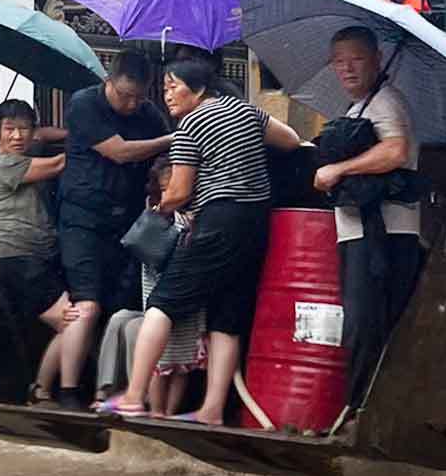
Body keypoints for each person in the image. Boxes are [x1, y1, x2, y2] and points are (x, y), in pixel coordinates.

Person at [98, 58, 299, 424]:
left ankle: (134, 395)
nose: (167, 95)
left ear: (200, 88)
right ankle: (212, 410)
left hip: (217, 221)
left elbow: (178, 192)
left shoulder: (191, 124)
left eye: (174, 86)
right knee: (226, 316)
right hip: (256, 224)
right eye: (164, 88)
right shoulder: (247, 112)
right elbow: (290, 140)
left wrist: (159, 209)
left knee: (161, 303)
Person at [53, 50, 173, 410]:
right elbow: (119, 152)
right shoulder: (84, 104)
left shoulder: (149, 115)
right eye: (125, 96)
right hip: (82, 218)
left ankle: (107, 390)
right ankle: (67, 391)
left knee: (120, 307)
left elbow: (167, 160)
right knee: (86, 303)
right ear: (108, 81)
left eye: (139, 97)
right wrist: (170, 140)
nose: (131, 104)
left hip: (127, 224)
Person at [312, 26, 421, 413]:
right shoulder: (357, 107)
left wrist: (338, 169)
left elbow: (395, 151)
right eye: (339, 61)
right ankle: (363, 409)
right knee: (360, 323)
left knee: (368, 324)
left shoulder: (386, 102)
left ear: (377, 60)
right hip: (358, 231)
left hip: (385, 234)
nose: (347, 68)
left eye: (356, 59)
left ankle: (362, 411)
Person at [0, 98, 77, 399]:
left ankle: (38, 388)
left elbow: (44, 137)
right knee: (73, 321)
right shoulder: (1, 165)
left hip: (29, 260)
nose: (17, 136)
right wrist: (90, 138)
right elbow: (59, 163)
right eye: (9, 129)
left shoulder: (21, 158)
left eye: (24, 129)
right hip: (18, 260)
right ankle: (43, 390)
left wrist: (57, 133)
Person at [92, 158, 207, 415]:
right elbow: (139, 249)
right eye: (164, 189)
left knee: (178, 363)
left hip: (183, 306)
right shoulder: (154, 219)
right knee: (158, 359)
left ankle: (166, 412)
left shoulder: (196, 220)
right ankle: (147, 407)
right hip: (156, 302)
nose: (171, 194)